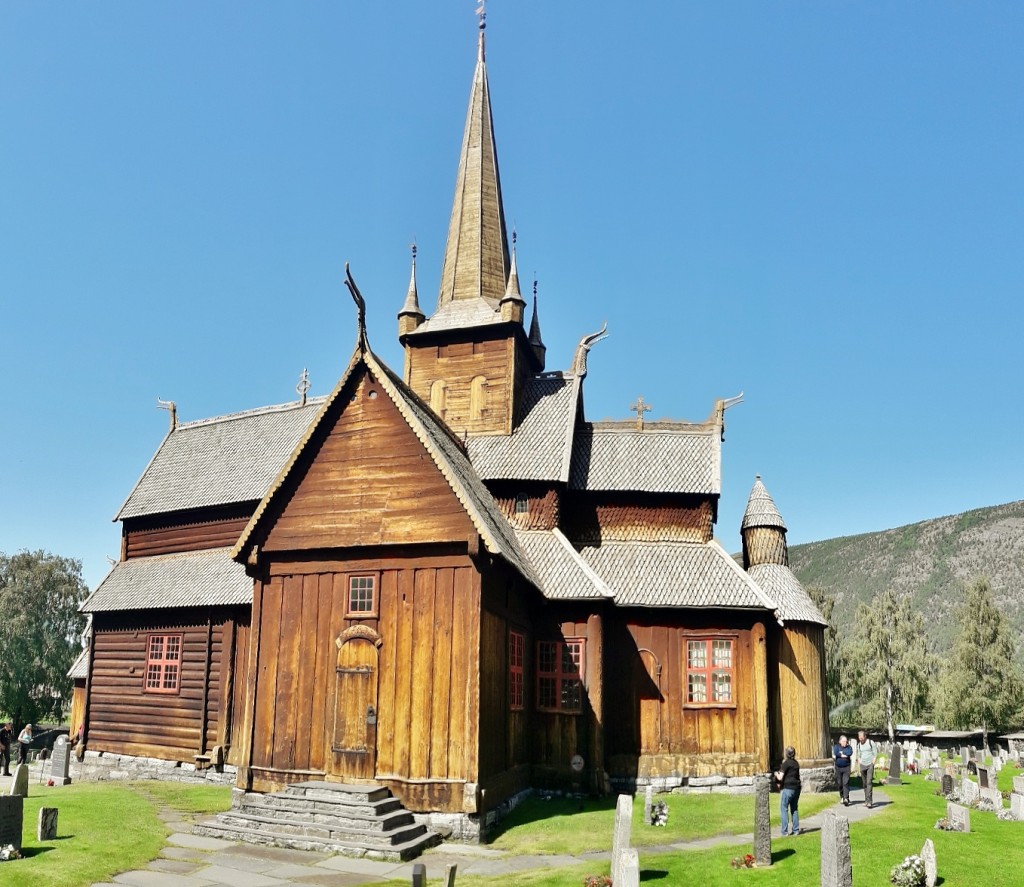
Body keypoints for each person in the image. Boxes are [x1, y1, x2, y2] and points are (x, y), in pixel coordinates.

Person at [774, 745, 801, 836]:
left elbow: (780, 777)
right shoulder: (796, 763)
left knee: (784, 808)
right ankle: (796, 830)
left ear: (786, 754)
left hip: (788, 788)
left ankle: (784, 832)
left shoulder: (786, 763)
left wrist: (775, 774)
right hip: (797, 788)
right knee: (794, 809)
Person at [857, 729, 877, 808]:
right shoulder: (859, 745)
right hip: (863, 765)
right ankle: (866, 800)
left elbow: (875, 754)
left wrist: (872, 764)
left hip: (869, 765)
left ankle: (870, 801)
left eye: (862, 737)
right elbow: (858, 755)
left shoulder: (870, 743)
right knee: (864, 784)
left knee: (869, 783)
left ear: (865, 736)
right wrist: (859, 764)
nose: (861, 738)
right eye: (859, 737)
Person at [833, 734, 853, 805]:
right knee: (840, 783)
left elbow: (850, 753)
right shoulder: (836, 747)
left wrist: (842, 753)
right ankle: (842, 796)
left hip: (846, 767)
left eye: (846, 741)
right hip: (838, 767)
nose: (845, 742)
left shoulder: (849, 747)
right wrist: (842, 755)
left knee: (845, 782)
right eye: (844, 741)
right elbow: (836, 753)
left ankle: (846, 798)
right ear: (840, 741)